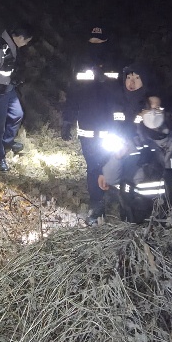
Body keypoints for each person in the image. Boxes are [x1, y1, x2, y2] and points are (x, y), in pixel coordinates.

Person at [99, 90, 172, 231]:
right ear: (141, 113)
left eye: (158, 108)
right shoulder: (130, 144)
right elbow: (111, 179)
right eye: (148, 109)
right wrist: (117, 157)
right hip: (137, 226)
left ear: (166, 113)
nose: (153, 113)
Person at [61, 25, 122, 225]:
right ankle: (96, 206)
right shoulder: (79, 64)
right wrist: (67, 120)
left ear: (106, 42)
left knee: (111, 164)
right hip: (87, 127)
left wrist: (123, 123)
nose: (96, 46)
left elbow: (123, 96)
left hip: (110, 127)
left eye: (100, 42)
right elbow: (73, 94)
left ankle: (121, 202)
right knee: (93, 167)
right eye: (92, 42)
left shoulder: (115, 63)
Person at [0, 25, 32, 170]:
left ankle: (7, 142)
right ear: (20, 38)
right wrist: (9, 80)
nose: (26, 44)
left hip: (8, 90)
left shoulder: (12, 47)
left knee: (17, 114)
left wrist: (16, 78)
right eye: (26, 41)